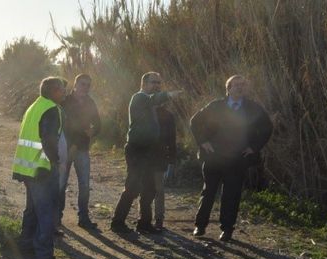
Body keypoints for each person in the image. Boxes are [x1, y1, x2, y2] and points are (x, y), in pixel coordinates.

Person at [189, 74, 273, 242]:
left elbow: (267, 127)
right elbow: (195, 121)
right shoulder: (216, 106)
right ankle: (200, 225)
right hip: (214, 157)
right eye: (236, 85)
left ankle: (227, 229)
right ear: (228, 88)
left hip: (237, 159)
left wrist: (254, 147)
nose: (240, 88)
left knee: (231, 195)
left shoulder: (252, 108)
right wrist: (203, 141)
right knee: (208, 193)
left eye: (242, 85)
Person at [111, 72, 179, 234]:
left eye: (159, 83)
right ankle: (117, 222)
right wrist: (168, 94)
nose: (157, 85)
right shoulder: (139, 97)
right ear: (143, 83)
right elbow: (153, 99)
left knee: (149, 188)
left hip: (150, 151)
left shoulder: (152, 105)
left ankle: (144, 223)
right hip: (137, 149)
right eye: (153, 82)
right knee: (133, 186)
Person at [14, 76, 65, 259]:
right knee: (46, 211)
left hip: (27, 167)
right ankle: (44, 253)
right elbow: (49, 139)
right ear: (53, 91)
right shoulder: (51, 109)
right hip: (42, 168)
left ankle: (26, 245)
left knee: (33, 209)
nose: (64, 91)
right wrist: (55, 161)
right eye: (61, 88)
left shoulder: (34, 106)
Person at [59, 74, 102, 230]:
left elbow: (98, 123)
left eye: (88, 85)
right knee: (61, 184)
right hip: (66, 149)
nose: (85, 87)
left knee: (84, 185)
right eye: (83, 84)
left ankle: (83, 218)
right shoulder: (65, 101)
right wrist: (75, 141)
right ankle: (57, 218)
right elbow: (66, 126)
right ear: (75, 84)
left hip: (82, 149)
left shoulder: (90, 102)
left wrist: (93, 131)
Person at [152, 99, 177, 231]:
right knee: (143, 187)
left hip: (160, 155)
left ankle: (159, 218)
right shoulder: (142, 112)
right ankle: (143, 217)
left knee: (159, 188)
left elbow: (172, 138)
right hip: (143, 155)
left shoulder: (168, 115)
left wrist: (172, 158)